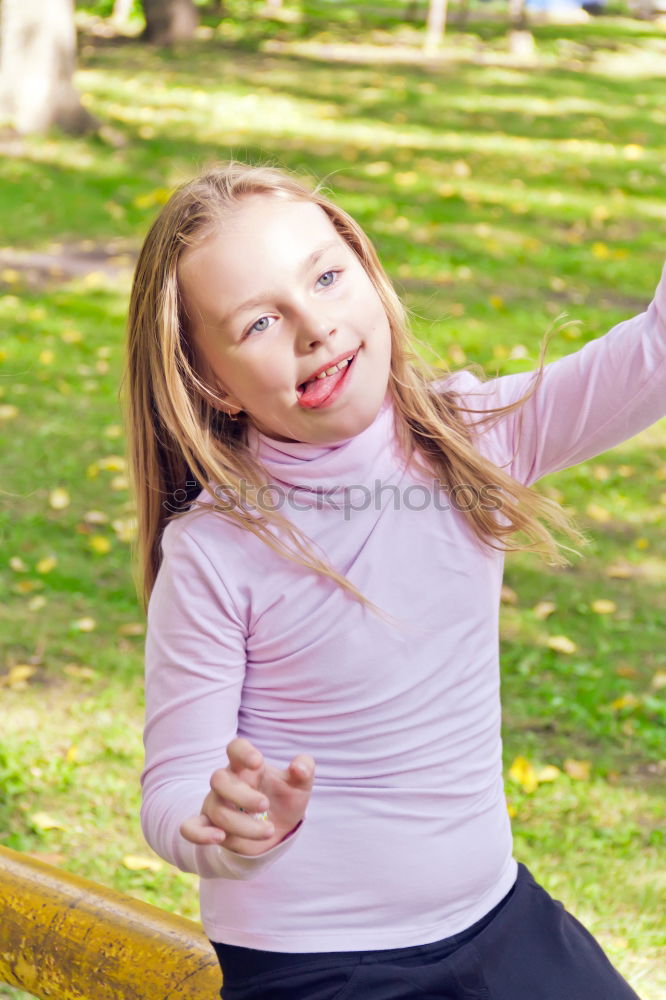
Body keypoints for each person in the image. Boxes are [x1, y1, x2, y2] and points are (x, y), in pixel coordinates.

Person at [122, 161, 664, 1000]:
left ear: (367, 274)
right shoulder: (218, 551)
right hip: (318, 964)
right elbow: (173, 789)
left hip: (498, 918)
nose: (315, 327)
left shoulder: (465, 441)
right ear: (209, 383)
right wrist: (228, 827)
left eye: (328, 278)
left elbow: (651, 357)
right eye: (261, 321)